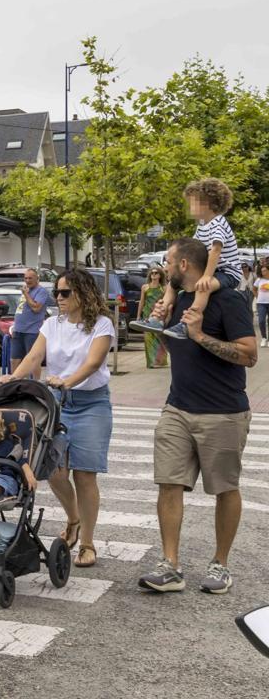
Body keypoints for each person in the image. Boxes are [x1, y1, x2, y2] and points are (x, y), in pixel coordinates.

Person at [138, 238, 257, 595]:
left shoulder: (229, 301)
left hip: (223, 413)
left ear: (184, 266)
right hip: (178, 407)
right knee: (169, 482)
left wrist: (200, 335)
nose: (164, 268)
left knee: (224, 487)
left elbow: (249, 355)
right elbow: (168, 348)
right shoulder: (177, 300)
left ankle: (220, 564)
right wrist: (159, 322)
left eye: (168, 262)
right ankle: (170, 565)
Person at [0, 267, 115, 568]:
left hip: (91, 404)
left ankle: (87, 543)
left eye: (65, 293)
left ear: (83, 294)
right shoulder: (52, 324)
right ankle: (73, 520)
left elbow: (93, 364)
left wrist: (67, 381)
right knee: (54, 472)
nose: (59, 298)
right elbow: (34, 357)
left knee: (85, 475)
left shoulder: (101, 325)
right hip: (57, 405)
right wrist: (12, 378)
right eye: (57, 293)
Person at [140, 179, 241, 340]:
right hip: (213, 269)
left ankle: (187, 324)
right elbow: (193, 248)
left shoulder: (218, 223)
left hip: (227, 272)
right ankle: (157, 318)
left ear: (207, 203)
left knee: (204, 287)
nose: (189, 207)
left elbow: (215, 250)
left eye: (193, 203)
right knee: (173, 284)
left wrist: (206, 276)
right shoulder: (202, 224)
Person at [9, 268, 52, 373]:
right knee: (14, 360)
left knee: (33, 360)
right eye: (26, 278)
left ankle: (35, 384)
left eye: (30, 278)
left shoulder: (41, 291)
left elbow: (36, 308)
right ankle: (14, 383)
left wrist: (26, 294)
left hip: (31, 331)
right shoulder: (27, 290)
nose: (27, 280)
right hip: (18, 329)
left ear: (37, 278)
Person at [139, 267, 169, 369]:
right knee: (148, 339)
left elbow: (166, 302)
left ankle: (160, 361)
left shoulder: (164, 288)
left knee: (159, 338)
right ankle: (151, 362)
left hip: (158, 315)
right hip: (147, 314)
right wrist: (138, 315)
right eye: (152, 273)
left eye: (156, 273)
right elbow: (142, 302)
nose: (154, 275)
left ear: (160, 275)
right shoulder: (145, 287)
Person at [255, 265, 269, 348]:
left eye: (265, 271)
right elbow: (254, 289)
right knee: (261, 321)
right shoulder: (259, 280)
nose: (263, 272)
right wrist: (257, 296)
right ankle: (264, 338)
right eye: (262, 271)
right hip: (261, 303)